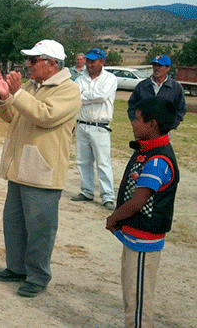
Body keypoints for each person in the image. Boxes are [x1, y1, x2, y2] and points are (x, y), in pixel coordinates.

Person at [0, 40, 81, 297]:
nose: (28, 65)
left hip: (42, 172)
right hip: (19, 167)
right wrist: (4, 97)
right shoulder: (31, 86)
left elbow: (45, 116)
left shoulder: (68, 90)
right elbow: (11, 117)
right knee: (14, 223)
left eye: (33, 60)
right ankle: (16, 267)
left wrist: (17, 95)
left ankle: (38, 276)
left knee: (40, 228)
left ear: (52, 64)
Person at [106, 97, 179, 328]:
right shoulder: (147, 149)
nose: (132, 122)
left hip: (144, 241)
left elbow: (138, 202)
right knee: (131, 296)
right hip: (135, 237)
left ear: (152, 124)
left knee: (138, 303)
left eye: (137, 119)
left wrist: (114, 217)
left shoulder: (158, 160)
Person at [71, 48, 118, 210]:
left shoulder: (110, 78)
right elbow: (74, 97)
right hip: (82, 123)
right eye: (88, 61)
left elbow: (102, 95)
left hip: (100, 126)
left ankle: (107, 196)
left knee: (103, 162)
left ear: (102, 62)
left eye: (93, 61)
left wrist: (84, 97)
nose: (89, 64)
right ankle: (87, 191)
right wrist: (87, 97)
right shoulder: (80, 79)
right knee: (83, 161)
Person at [127, 55, 186, 130]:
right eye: (154, 65)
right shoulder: (142, 86)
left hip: (163, 132)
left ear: (168, 68)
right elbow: (132, 105)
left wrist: (171, 126)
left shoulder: (176, 88)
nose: (156, 68)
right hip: (143, 130)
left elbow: (180, 110)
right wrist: (134, 121)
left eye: (160, 66)